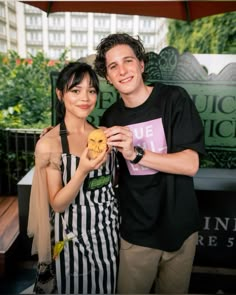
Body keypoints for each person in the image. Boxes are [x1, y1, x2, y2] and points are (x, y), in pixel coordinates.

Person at [94, 33, 206, 294]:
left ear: (141, 64)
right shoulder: (111, 117)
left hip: (180, 229)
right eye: (113, 66)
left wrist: (136, 153)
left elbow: (190, 164)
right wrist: (57, 135)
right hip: (136, 234)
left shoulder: (174, 99)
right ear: (108, 77)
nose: (122, 71)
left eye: (128, 61)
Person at [27, 62, 119, 294]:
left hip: (108, 235)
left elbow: (111, 186)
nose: (85, 97)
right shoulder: (50, 143)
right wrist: (81, 171)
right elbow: (57, 203)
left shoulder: (105, 135)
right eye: (75, 90)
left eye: (91, 90)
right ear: (60, 94)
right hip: (71, 239)